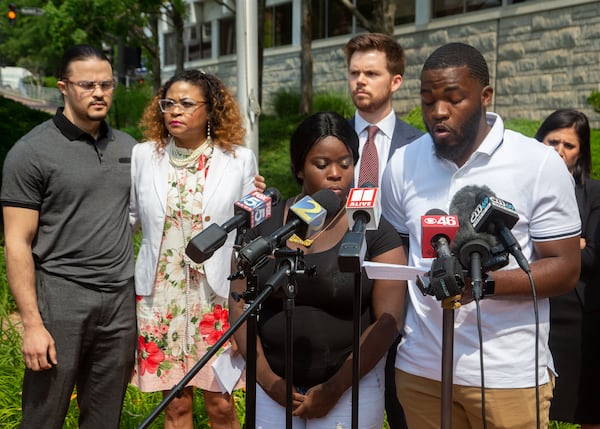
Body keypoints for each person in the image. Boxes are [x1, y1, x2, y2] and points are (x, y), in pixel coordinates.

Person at [381, 42, 582, 429]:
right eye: (427, 100)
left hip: (508, 376)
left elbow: (565, 268)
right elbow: (398, 247)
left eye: (454, 99)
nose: (438, 112)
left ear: (485, 96)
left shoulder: (537, 164)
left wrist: (482, 285)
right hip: (421, 372)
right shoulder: (403, 163)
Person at [229, 111, 408, 428]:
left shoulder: (374, 229)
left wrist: (336, 386)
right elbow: (240, 302)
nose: (336, 174)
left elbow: (389, 320)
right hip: (272, 387)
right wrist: (268, 380)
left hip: (349, 388)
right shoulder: (266, 226)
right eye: (322, 164)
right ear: (299, 168)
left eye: (345, 163)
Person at [1, 44, 137, 429]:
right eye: (87, 84)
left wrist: (248, 185)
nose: (99, 93)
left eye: (107, 84)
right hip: (61, 297)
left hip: (119, 302)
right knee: (44, 417)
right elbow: (16, 242)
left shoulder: (129, 148)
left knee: (104, 418)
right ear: (63, 87)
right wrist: (31, 323)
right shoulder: (31, 153)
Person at [129, 69, 264, 429]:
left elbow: (251, 230)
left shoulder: (238, 160)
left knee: (221, 402)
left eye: (187, 104)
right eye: (168, 103)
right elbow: (130, 218)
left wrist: (245, 302)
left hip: (216, 297)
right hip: (160, 297)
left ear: (211, 110)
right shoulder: (143, 156)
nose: (175, 111)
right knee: (175, 406)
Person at [343, 32, 422, 428]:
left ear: (395, 81)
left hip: (401, 292)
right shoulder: (331, 138)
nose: (360, 80)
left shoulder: (422, 145)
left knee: (403, 406)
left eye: (371, 73)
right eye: (354, 72)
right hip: (340, 287)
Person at [535, 109, 600, 429]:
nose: (559, 151)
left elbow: (592, 257)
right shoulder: (521, 189)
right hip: (530, 309)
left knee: (588, 408)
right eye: (552, 141)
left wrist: (544, 247)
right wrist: (573, 244)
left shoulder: (594, 193)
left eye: (569, 145)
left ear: (581, 152)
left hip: (579, 318)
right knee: (530, 411)